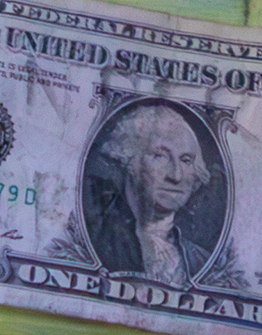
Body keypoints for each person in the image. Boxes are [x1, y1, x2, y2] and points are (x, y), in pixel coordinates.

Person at [84, 100, 223, 282]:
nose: (176, 175)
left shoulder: (202, 261)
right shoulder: (96, 242)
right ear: (128, 160)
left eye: (186, 160)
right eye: (160, 156)